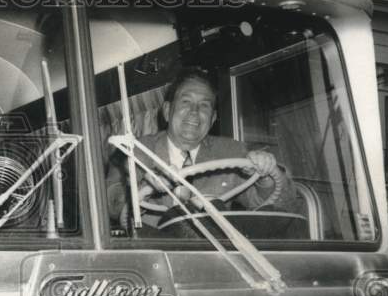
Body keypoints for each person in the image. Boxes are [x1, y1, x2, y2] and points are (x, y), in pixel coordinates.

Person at [106, 68, 297, 229]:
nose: (195, 112)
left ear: (212, 119)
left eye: (204, 105)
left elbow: (281, 208)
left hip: (216, 257)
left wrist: (264, 177)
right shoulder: (133, 152)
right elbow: (112, 203)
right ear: (166, 111)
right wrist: (145, 189)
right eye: (186, 102)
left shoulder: (232, 152)